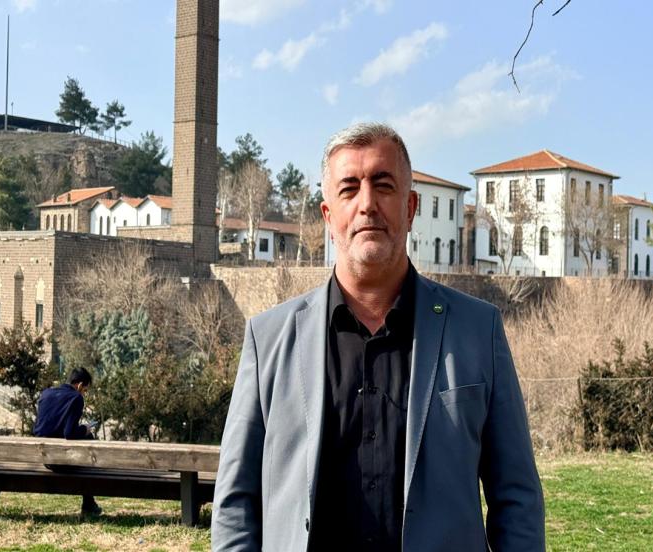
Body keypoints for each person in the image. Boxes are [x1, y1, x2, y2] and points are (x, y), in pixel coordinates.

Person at [211, 122, 545, 551]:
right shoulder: (269, 339)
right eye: (349, 189)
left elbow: (516, 498)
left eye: (383, 186)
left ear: (410, 207)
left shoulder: (478, 330)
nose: (367, 204)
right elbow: (236, 502)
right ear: (328, 216)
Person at [34, 367, 102, 517]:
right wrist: (85, 429)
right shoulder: (76, 398)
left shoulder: (46, 393)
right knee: (88, 443)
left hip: (44, 458)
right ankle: (88, 504)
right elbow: (69, 433)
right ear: (79, 385)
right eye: (85, 390)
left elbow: (39, 429)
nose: (84, 393)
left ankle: (89, 504)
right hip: (61, 460)